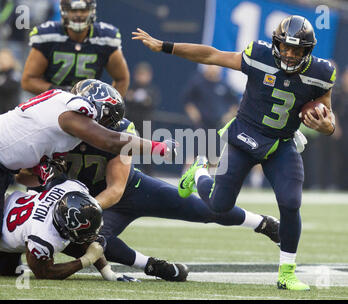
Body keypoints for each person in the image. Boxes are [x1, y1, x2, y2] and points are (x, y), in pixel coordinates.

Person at [132, 15, 337, 291]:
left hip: (280, 143)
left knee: (291, 202)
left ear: (307, 51)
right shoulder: (259, 55)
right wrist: (165, 46)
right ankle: (200, 172)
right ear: (276, 44)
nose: (289, 54)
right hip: (244, 136)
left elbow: (328, 117)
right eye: (285, 47)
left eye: (296, 50)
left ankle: (287, 272)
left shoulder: (321, 73)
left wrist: (327, 125)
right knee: (219, 206)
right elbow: (212, 55)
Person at [54, 84, 280, 282]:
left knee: (199, 208)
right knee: (81, 238)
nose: (106, 125)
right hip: (88, 200)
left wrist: (86, 209)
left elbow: (116, 188)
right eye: (102, 119)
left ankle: (263, 223)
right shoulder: (56, 128)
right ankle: (153, 266)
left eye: (109, 120)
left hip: (131, 190)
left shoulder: (121, 129)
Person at [0, 79, 177, 239]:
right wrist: (160, 148)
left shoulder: (58, 105)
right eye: (107, 119)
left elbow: (23, 176)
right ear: (95, 105)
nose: (107, 125)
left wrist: (45, 173)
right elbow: (110, 141)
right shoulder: (73, 111)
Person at [0, 178, 123, 281]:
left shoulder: (72, 188)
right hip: (4, 233)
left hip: (10, 205)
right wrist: (86, 260)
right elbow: (44, 273)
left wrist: (107, 272)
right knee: (8, 273)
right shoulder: (43, 237)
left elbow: (82, 231)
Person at [21, 0, 130, 97]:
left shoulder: (106, 37)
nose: (78, 15)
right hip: (52, 101)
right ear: (64, 12)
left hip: (89, 105)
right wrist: (61, 92)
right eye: (73, 10)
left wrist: (109, 105)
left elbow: (121, 79)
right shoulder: (47, 36)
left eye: (83, 10)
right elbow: (28, 81)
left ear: (91, 11)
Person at [125, 62, 161, 175]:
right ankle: (126, 171)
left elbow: (153, 102)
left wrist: (145, 100)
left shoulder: (152, 89)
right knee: (127, 147)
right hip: (131, 122)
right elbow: (125, 101)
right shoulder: (130, 88)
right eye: (140, 74)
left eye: (144, 75)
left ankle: (149, 174)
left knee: (148, 149)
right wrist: (130, 97)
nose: (142, 77)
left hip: (146, 123)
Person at [0, 48, 21, 114]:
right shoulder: (2, 73)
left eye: (5, 58)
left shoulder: (15, 73)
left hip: (10, 111)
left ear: (11, 60)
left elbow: (9, 87)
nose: (3, 61)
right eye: (1, 58)